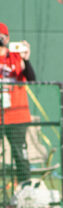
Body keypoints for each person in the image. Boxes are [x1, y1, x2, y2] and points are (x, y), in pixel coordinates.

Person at [0, 22, 35, 184]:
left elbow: (32, 80)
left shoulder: (15, 57)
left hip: (17, 115)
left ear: (7, 38)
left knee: (20, 154)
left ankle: (25, 189)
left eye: (2, 37)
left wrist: (26, 59)